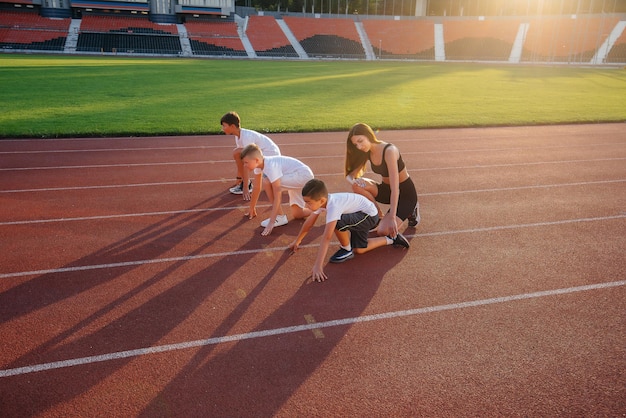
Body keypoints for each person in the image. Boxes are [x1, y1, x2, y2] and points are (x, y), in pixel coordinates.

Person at [289, 179, 410, 282]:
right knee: (360, 249)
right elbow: (309, 223)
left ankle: (346, 249)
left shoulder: (333, 206)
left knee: (337, 223)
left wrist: (318, 266)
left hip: (369, 216)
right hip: (358, 213)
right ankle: (391, 239)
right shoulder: (323, 202)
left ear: (321, 200)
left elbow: (327, 237)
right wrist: (297, 241)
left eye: (308, 203)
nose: (306, 206)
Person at [345, 123, 419, 239]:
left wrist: (392, 218)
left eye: (360, 141)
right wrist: (354, 182)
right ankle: (377, 216)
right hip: (385, 190)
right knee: (357, 186)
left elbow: (396, 188)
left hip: (404, 194)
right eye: (355, 144)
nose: (359, 147)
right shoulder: (366, 152)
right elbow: (350, 176)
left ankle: (412, 210)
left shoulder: (389, 151)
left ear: (368, 135)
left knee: (383, 231)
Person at [241, 144, 314, 236]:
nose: (244, 165)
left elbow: (277, 195)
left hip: (302, 175)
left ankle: (280, 217)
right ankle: (322, 209)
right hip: (293, 176)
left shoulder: (271, 167)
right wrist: (252, 208)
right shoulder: (258, 166)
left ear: (256, 160)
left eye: (246, 162)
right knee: (298, 214)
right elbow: (256, 187)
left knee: (267, 181)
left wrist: (272, 221)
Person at [220, 111, 281, 200]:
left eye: (224, 126)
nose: (222, 128)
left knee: (276, 184)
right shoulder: (238, 136)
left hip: (271, 155)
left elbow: (246, 162)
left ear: (232, 126)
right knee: (237, 153)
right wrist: (239, 177)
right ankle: (245, 182)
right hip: (261, 154)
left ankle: (247, 184)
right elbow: (241, 159)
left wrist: (245, 188)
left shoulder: (247, 137)